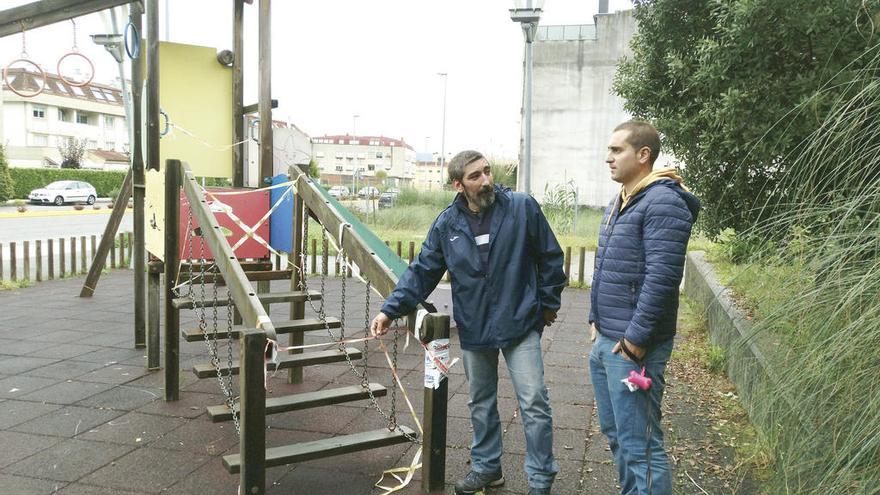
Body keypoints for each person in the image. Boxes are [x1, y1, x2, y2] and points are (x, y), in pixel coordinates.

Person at [370, 150, 567, 495]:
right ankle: (488, 468)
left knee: (534, 401)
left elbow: (550, 256)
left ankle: (540, 480)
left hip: (520, 321)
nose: (486, 180)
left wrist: (547, 304)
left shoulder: (522, 207)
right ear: (459, 185)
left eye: (488, 172)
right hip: (476, 326)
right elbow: (422, 271)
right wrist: (390, 309)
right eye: (476, 176)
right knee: (480, 401)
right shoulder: (448, 224)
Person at [588, 120, 700, 495]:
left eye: (616, 150)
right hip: (608, 338)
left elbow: (662, 279)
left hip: (634, 349)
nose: (608, 158)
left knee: (641, 445)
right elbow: (608, 266)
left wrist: (635, 340)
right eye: (609, 150)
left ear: (643, 155)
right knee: (618, 435)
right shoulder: (624, 198)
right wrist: (595, 320)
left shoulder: (664, 201)